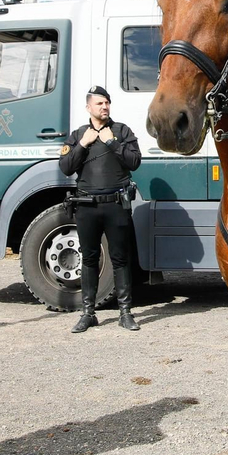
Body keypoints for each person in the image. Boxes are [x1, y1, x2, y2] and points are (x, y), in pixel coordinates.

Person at [58, 86, 142, 333]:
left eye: (107, 103)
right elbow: (65, 166)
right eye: (99, 104)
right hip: (87, 207)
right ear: (88, 107)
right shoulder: (78, 134)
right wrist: (83, 144)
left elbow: (134, 162)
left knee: (120, 259)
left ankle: (125, 313)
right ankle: (88, 313)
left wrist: (112, 143)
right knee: (89, 259)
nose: (104, 107)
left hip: (116, 205)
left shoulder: (121, 131)